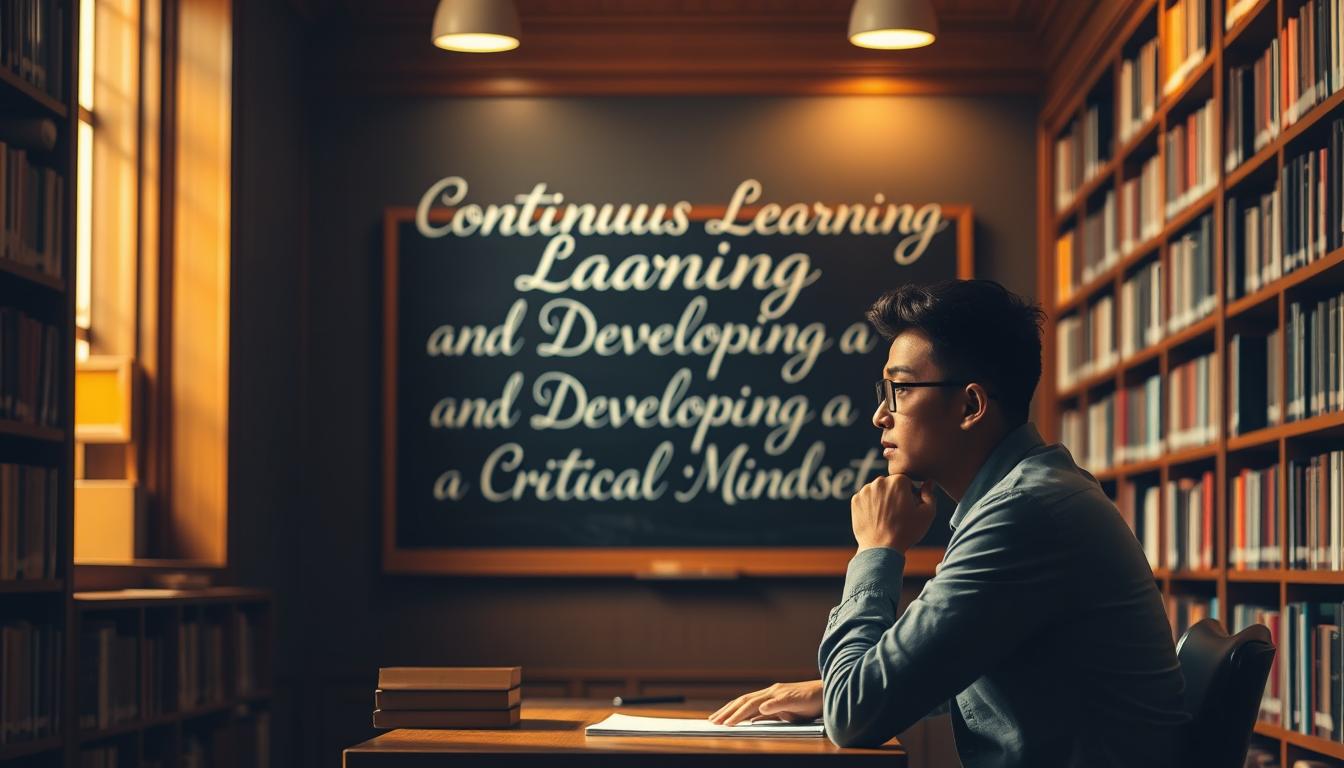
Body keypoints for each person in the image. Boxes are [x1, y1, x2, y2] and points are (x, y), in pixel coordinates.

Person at [708, 279, 1190, 767]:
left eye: (900, 389)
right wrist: (827, 690)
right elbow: (973, 661)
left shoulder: (1024, 514)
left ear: (970, 406)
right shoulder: (1032, 496)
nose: (880, 415)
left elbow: (855, 715)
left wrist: (877, 549)